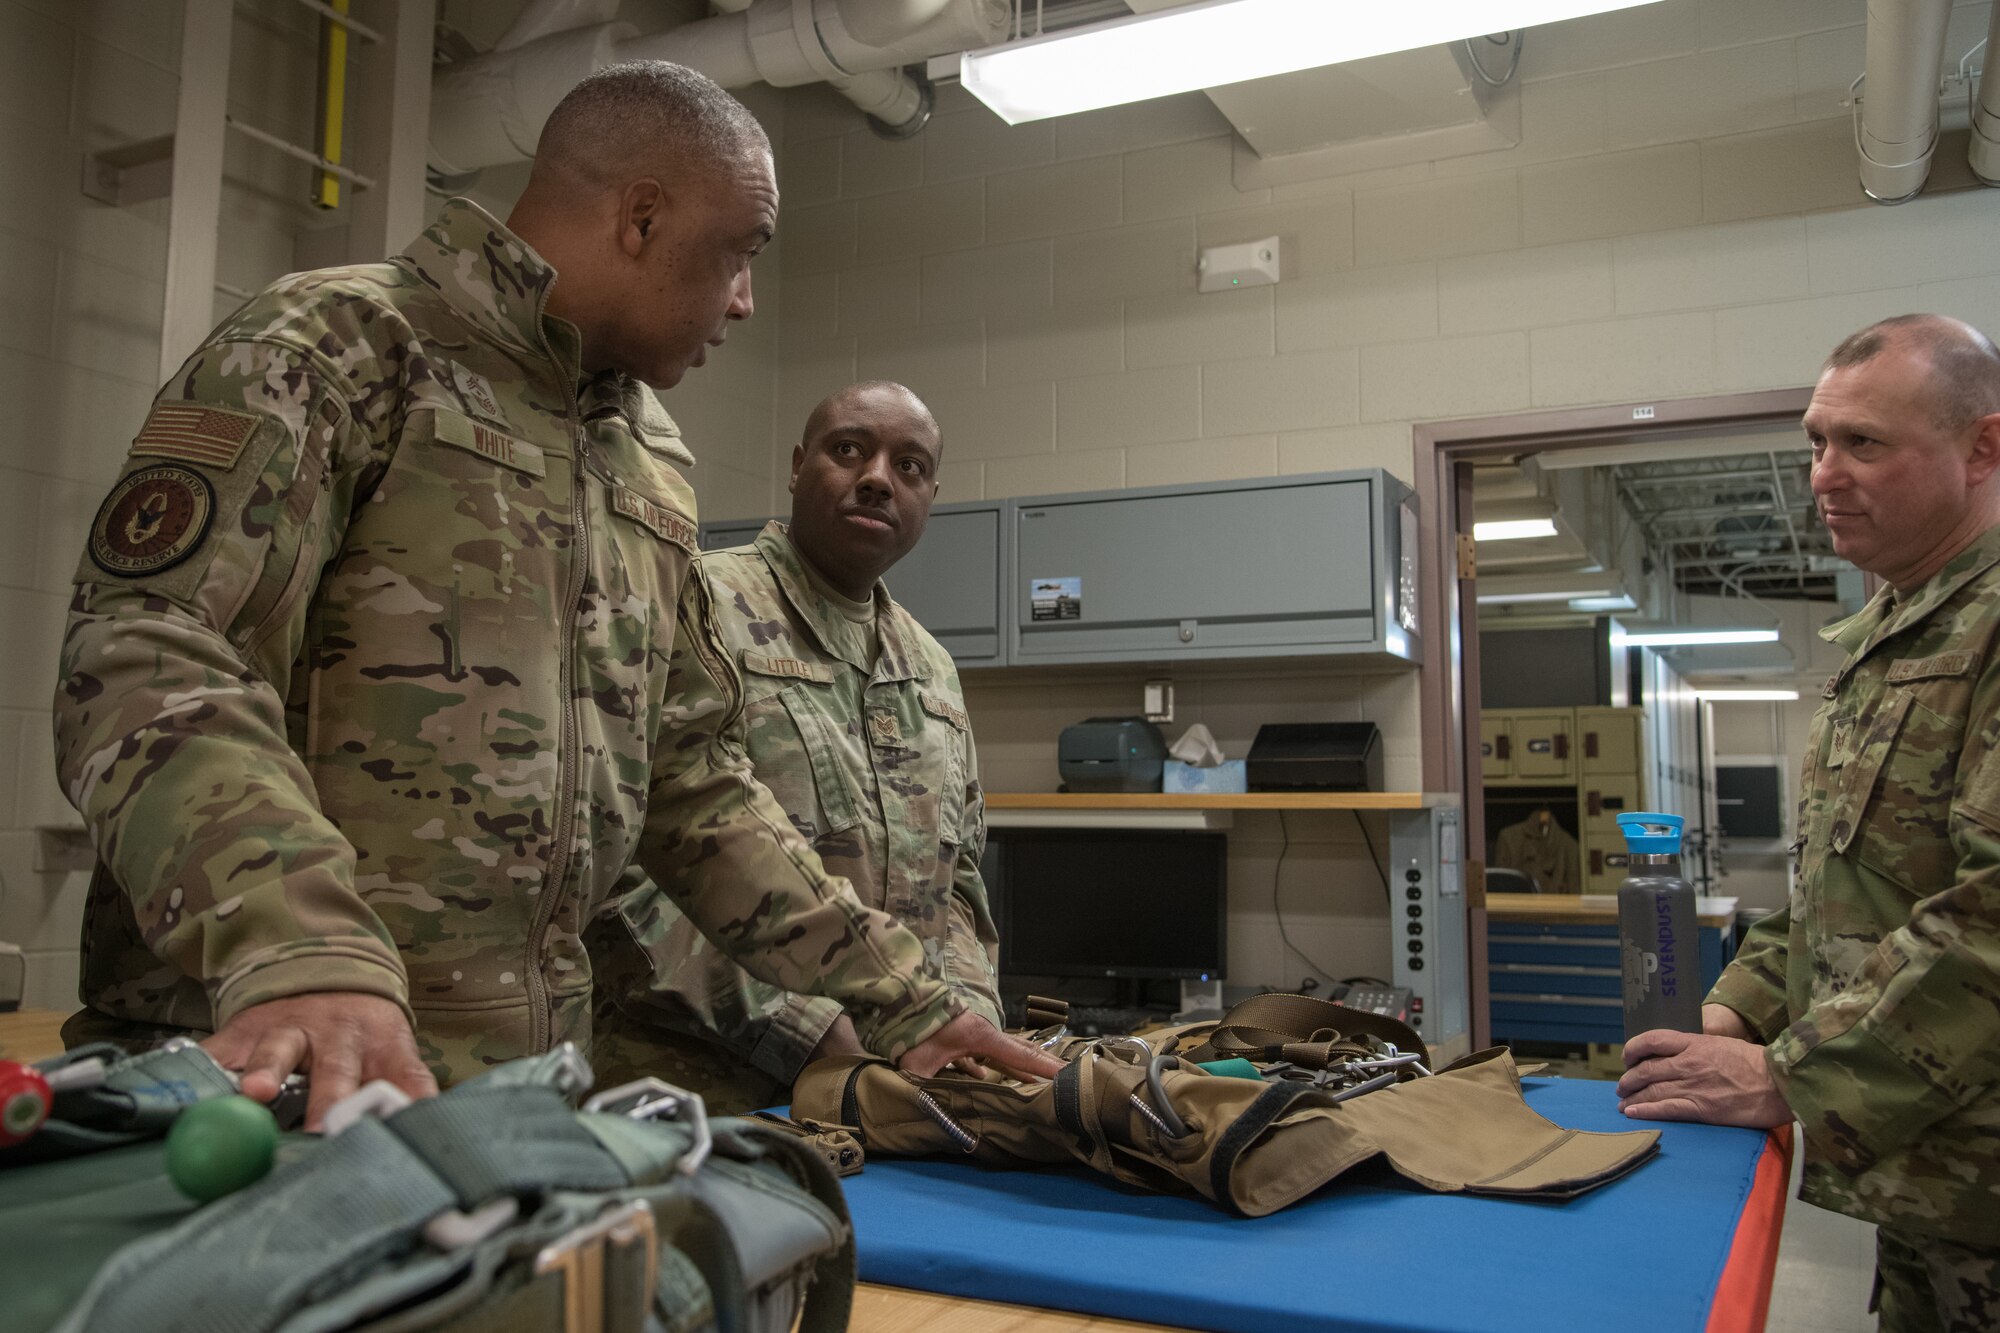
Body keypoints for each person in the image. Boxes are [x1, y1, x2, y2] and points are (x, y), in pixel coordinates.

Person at [52, 60, 1056, 1131]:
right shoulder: (339, 346)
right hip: (272, 1067)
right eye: (739, 254)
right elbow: (148, 659)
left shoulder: (647, 460)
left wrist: (902, 994)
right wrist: (296, 944)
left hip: (513, 1093)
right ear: (639, 216)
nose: (744, 299)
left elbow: (693, 788)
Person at [1616, 315, 2000, 1330]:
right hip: (1929, 1179)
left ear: (1980, 447)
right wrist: (1729, 1012)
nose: (1823, 475)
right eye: (1815, 442)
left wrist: (1787, 1074)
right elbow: (1839, 891)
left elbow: (1989, 920)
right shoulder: (1885, 636)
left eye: (1862, 443)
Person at [589, 381, 1005, 1109]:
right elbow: (618, 860)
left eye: (908, 467)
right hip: (707, 1099)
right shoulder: (694, 602)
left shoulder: (932, 667)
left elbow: (960, 886)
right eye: (848, 450)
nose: (877, 477)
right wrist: (806, 1029)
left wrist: (969, 1027)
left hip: (905, 1103)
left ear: (931, 496)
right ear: (795, 465)